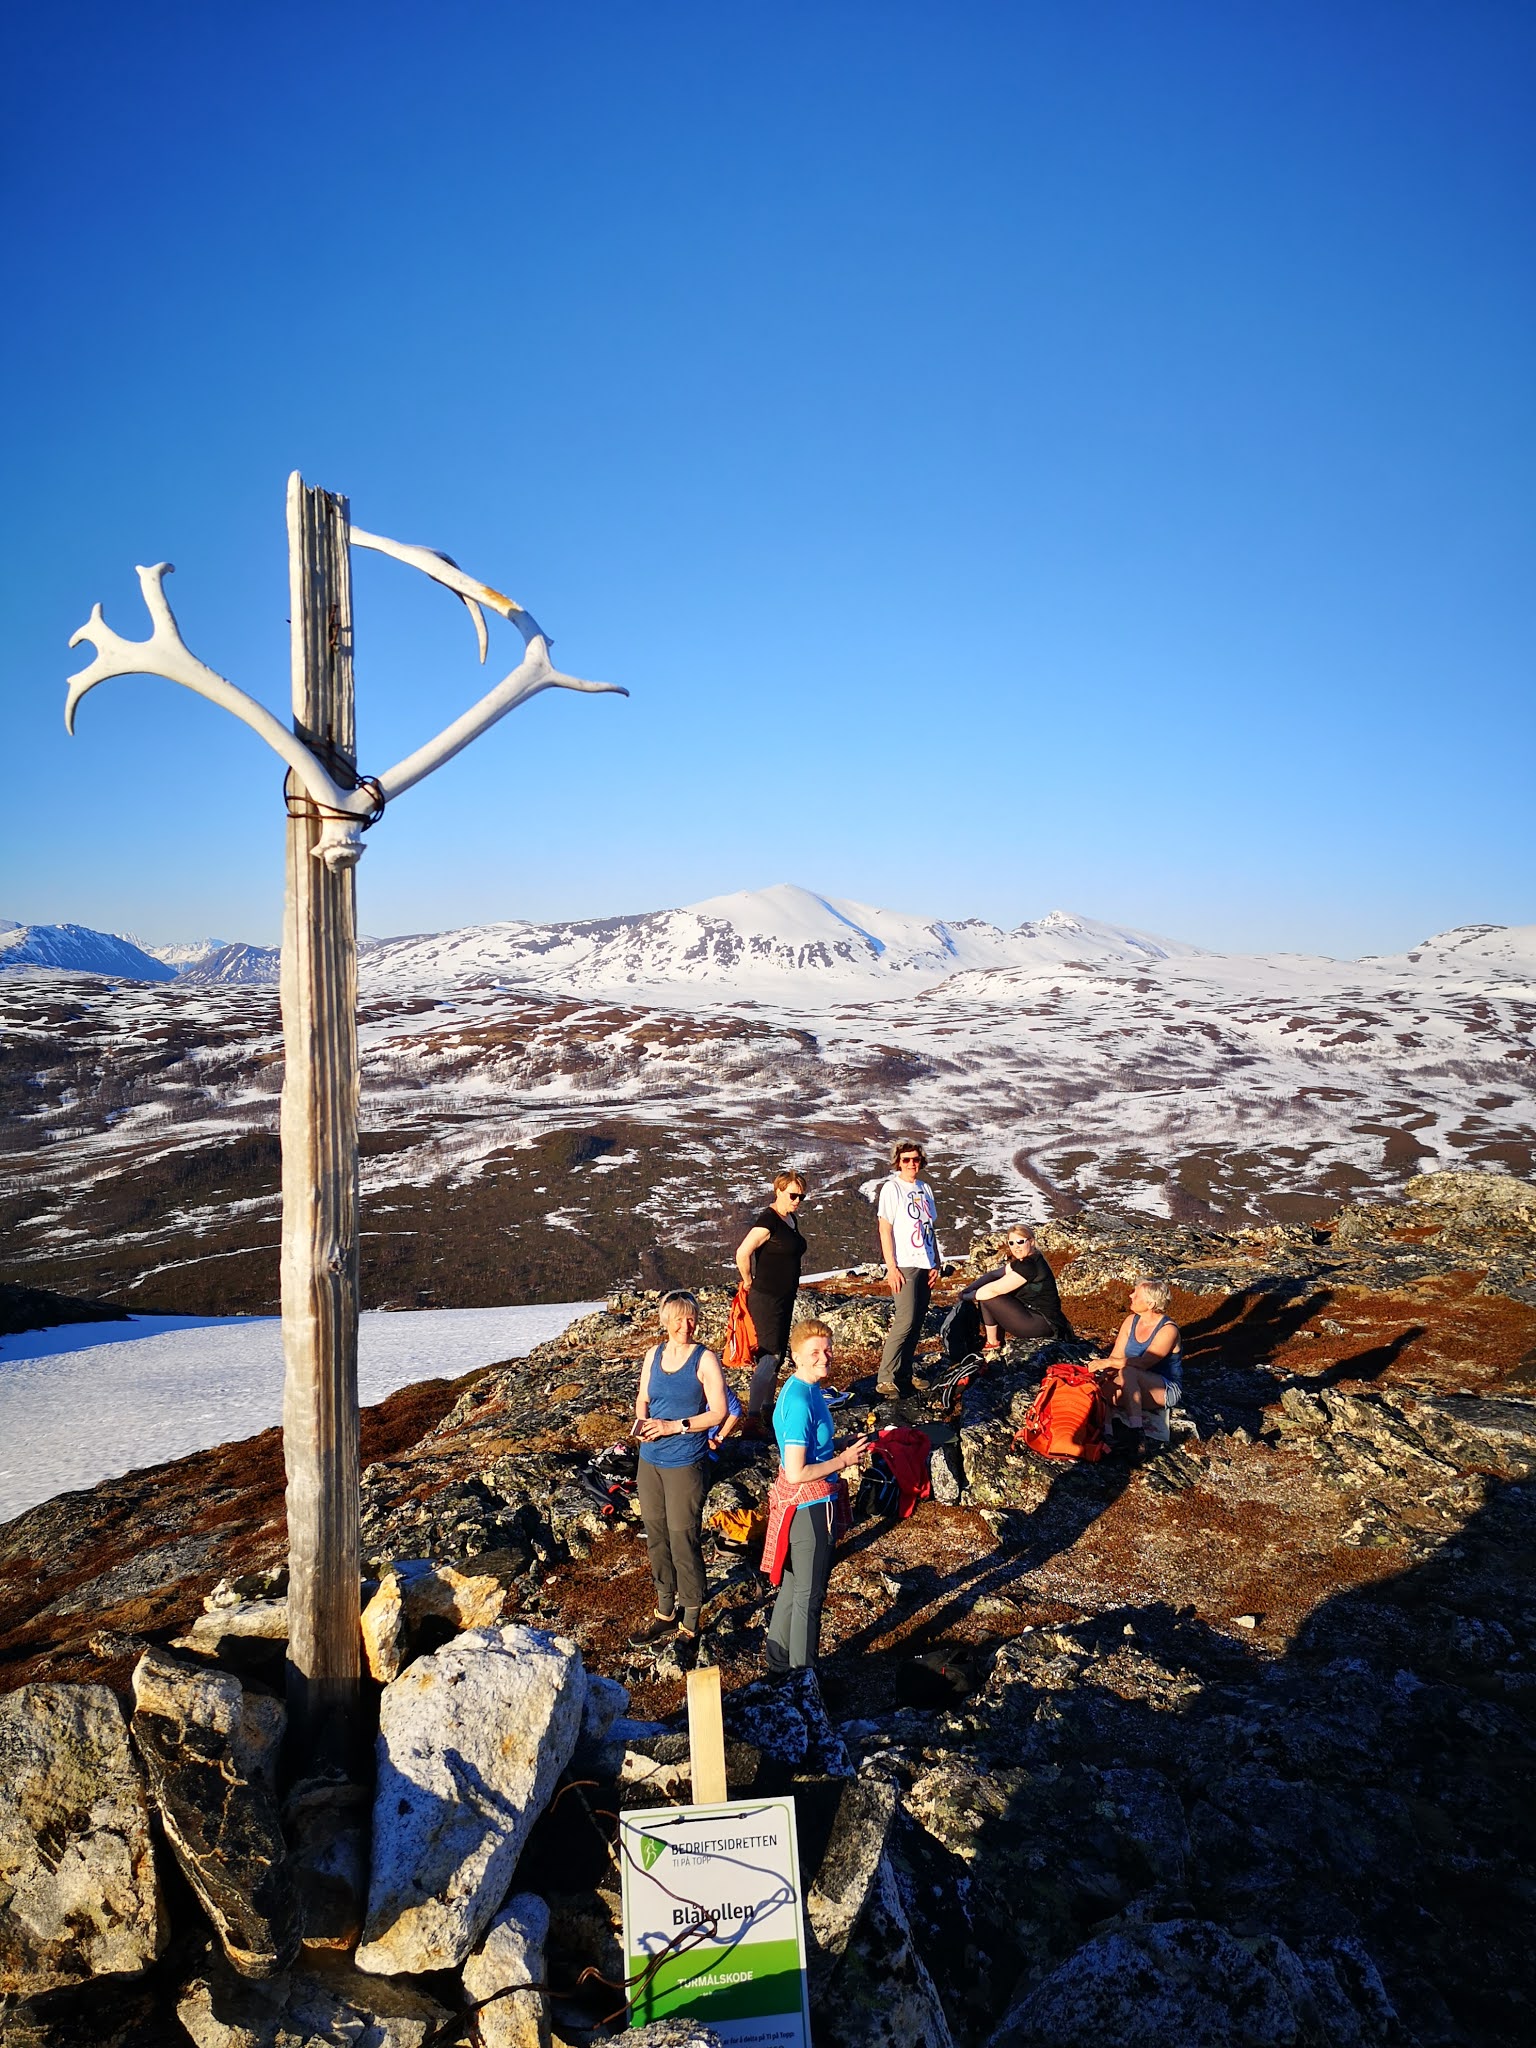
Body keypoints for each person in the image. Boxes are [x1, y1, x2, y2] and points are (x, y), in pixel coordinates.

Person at [764, 1321, 867, 1672]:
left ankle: (779, 1663)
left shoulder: (806, 1389)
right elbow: (796, 1472)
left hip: (802, 1505)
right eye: (815, 1352)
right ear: (796, 1357)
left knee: (795, 1584)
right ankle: (803, 1679)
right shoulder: (799, 1401)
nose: (825, 1357)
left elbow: (808, 1449)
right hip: (809, 1507)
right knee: (809, 1596)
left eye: (828, 1349)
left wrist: (837, 1445)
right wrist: (843, 1461)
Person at [629, 1290, 728, 1655]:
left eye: (691, 1318)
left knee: (683, 1540)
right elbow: (643, 1398)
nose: (686, 1326)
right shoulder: (653, 1355)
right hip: (650, 1461)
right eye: (678, 1319)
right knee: (656, 1537)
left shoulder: (705, 1359)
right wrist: (641, 1423)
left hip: (685, 1462)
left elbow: (718, 1411)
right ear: (665, 1321)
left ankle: (691, 1619)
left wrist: (674, 1426)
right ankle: (665, 1609)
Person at [736, 1172, 809, 1421]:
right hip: (767, 1298)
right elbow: (743, 1252)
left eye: (801, 1197)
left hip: (784, 1297)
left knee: (776, 1357)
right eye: (793, 1195)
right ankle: (753, 1417)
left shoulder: (789, 1219)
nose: (797, 1200)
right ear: (778, 1191)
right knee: (769, 1356)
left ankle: (768, 1408)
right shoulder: (769, 1221)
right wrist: (748, 1281)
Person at [876, 1139, 941, 1398]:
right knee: (904, 1321)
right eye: (906, 1160)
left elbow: (929, 1228)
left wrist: (936, 1262)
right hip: (904, 1263)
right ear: (898, 1162)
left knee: (917, 1322)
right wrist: (891, 1267)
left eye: (916, 1159)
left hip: (925, 1262)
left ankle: (904, 1373)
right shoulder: (892, 1188)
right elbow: (885, 1228)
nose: (911, 1164)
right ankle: (885, 1378)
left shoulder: (925, 1188)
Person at [1093, 1277, 1183, 1439]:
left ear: (1151, 1304)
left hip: (1163, 1387)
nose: (1130, 1296)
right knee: (1100, 1391)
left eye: (1136, 1294)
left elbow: (1143, 1363)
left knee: (1128, 1371)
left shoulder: (1168, 1330)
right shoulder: (1130, 1321)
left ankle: (1136, 1431)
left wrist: (1108, 1362)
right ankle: (1107, 1433)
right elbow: (1116, 1355)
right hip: (1132, 1380)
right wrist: (1104, 1376)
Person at [973, 1226, 1071, 1354]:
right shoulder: (1027, 1261)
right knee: (987, 1292)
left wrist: (967, 1296)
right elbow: (993, 1274)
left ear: (1031, 1242)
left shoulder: (1029, 1265)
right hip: (1041, 1320)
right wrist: (968, 1290)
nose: (1016, 1247)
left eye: (1020, 1242)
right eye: (1011, 1243)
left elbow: (992, 1291)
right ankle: (994, 1341)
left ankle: (993, 1342)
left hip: (1042, 1323)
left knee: (988, 1297)